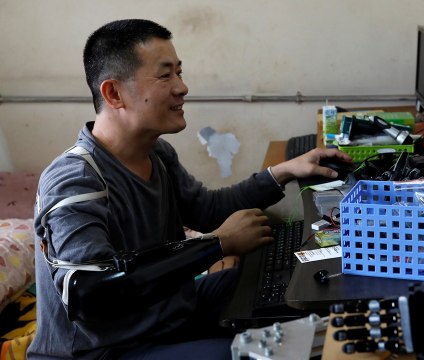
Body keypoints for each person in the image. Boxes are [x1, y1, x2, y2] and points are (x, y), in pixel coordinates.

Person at [28, 19, 351, 360]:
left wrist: (283, 172)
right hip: (104, 351)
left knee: (278, 288)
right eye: (166, 75)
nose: (182, 87)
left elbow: (207, 211)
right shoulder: (75, 180)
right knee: (246, 354)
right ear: (114, 93)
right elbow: (91, 294)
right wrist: (217, 244)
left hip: (163, 316)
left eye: (179, 73)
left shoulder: (157, 153)